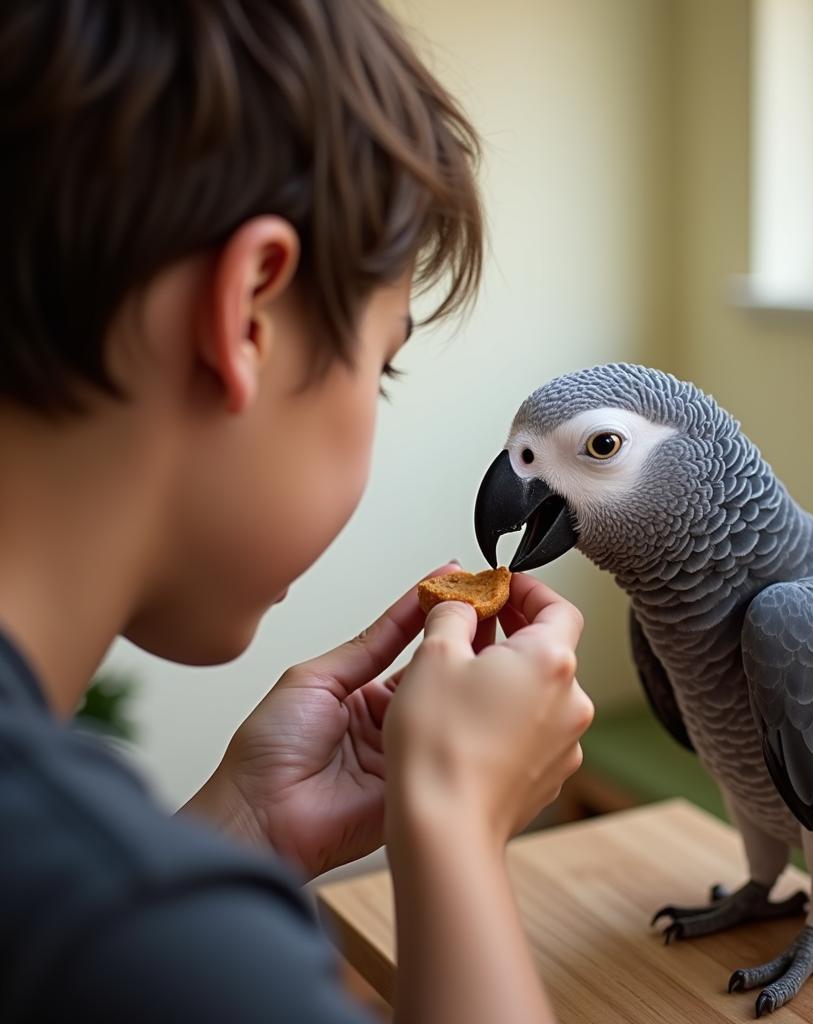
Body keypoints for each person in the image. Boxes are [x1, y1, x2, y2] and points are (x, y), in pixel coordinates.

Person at [0, 2, 594, 1022]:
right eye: (383, 364)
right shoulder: (143, 935)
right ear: (247, 314)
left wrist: (249, 825)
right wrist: (451, 823)